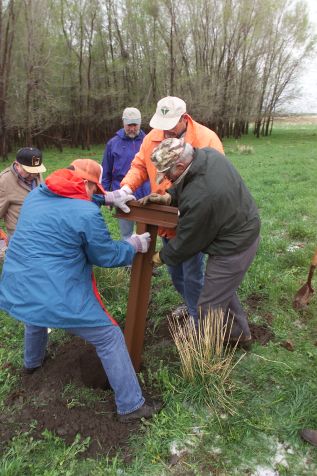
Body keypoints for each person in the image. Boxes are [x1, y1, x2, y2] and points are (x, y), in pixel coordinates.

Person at [0, 158, 160, 422]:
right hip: (57, 293)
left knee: (34, 313)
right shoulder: (86, 214)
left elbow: (69, 200)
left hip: (20, 284)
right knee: (109, 337)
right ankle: (131, 406)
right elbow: (107, 256)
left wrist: (106, 198)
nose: (95, 194)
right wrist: (133, 245)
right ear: (85, 183)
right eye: (94, 189)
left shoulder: (36, 195)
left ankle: (32, 364)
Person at [140, 138, 261, 342]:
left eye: (168, 174)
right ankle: (240, 334)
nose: (167, 179)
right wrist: (168, 197)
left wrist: (159, 257)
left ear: (180, 165)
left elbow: (187, 242)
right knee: (222, 290)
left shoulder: (202, 196)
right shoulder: (208, 156)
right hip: (241, 227)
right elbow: (187, 183)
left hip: (234, 246)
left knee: (208, 306)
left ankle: (206, 355)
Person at [120, 96, 224, 321]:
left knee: (192, 274)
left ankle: (200, 324)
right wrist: (126, 188)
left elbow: (215, 182)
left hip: (192, 222)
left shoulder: (207, 139)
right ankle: (191, 305)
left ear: (184, 119)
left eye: (170, 126)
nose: (165, 132)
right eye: (161, 126)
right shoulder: (152, 138)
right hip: (165, 219)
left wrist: (183, 205)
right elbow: (139, 165)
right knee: (175, 273)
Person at [101, 107, 150, 240]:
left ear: (140, 123)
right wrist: (106, 196)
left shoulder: (149, 141)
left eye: (135, 125)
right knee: (126, 235)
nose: (132, 128)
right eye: (129, 125)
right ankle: (129, 261)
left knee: (145, 234)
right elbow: (106, 173)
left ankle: (143, 261)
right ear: (123, 123)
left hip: (146, 198)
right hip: (122, 196)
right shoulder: (113, 144)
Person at [0, 147, 46, 241]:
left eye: (36, 171)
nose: (33, 175)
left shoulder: (37, 174)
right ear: (17, 165)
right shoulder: (4, 181)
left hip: (41, 229)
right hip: (19, 235)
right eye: (29, 171)